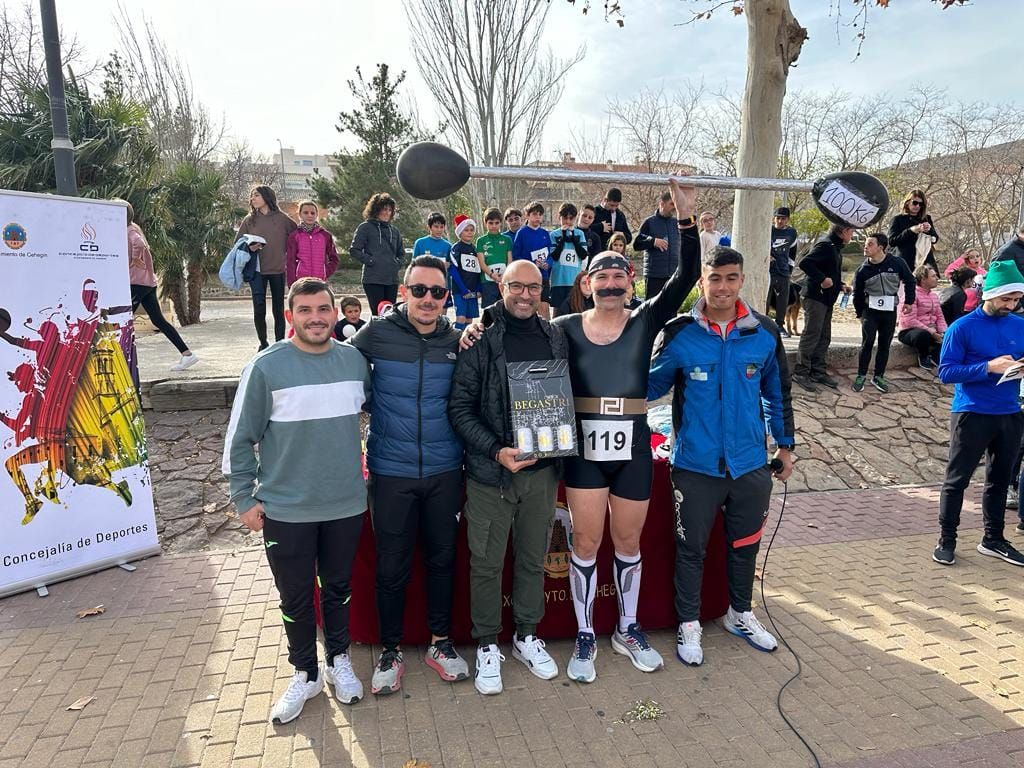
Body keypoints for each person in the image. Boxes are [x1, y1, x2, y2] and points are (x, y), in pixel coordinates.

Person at [552, 178, 699, 684]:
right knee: (587, 541)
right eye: (602, 278)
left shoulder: (643, 321)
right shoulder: (565, 326)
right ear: (587, 283)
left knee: (628, 540)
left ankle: (628, 628)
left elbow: (687, 276)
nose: (612, 284)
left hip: (633, 443)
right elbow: (514, 321)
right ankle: (586, 633)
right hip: (585, 449)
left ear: (631, 282)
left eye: (620, 277)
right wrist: (479, 322)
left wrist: (686, 219)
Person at [223, 277, 371, 723]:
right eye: (305, 310)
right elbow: (239, 438)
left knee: (339, 589)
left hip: (346, 503)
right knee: (295, 597)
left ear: (336, 312)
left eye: (323, 309)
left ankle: (338, 661)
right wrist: (242, 497)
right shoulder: (266, 367)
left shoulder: (354, 362)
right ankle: (305, 672)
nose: (316, 318)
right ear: (290, 316)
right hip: (286, 509)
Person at [648, 245, 795, 667]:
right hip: (695, 465)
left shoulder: (764, 332)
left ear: (742, 280)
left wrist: (785, 447)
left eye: (731, 278)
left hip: (750, 465)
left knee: (744, 544)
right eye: (715, 278)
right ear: (702, 282)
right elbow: (649, 387)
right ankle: (689, 623)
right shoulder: (679, 333)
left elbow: (777, 393)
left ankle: (740, 613)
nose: (723, 287)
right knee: (691, 548)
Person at [348, 256, 468, 695]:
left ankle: (441, 643)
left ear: (446, 297)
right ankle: (391, 650)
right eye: (419, 290)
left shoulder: (457, 341)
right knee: (391, 566)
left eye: (438, 292)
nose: (428, 300)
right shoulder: (374, 335)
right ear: (403, 292)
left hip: (444, 471)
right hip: (391, 470)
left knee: (442, 561)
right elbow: (342, 380)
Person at [448, 259, 565, 695]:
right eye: (516, 286)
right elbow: (459, 409)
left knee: (533, 558)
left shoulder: (555, 336)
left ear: (542, 291)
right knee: (486, 563)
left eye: (533, 288)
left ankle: (527, 636)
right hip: (490, 474)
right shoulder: (479, 338)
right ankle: (486, 644)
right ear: (501, 286)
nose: (524, 295)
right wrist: (496, 451)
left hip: (542, 470)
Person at [933, 260, 1024, 567]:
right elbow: (946, 372)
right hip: (972, 413)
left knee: (999, 480)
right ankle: (946, 540)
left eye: (1016, 300)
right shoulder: (962, 328)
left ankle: (993, 539)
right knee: (956, 480)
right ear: (988, 294)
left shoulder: (1019, 324)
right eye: (1005, 299)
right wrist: (987, 367)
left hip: (1010, 412)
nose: (1010, 305)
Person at [125, 201, 198, 371]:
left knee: (123, 319)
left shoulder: (130, 231)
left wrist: (134, 258)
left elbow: (139, 244)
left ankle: (122, 360)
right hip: (146, 283)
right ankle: (187, 354)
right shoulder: (134, 228)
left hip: (137, 283)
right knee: (158, 320)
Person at [851, 232, 916, 393]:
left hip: (889, 311)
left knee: (884, 344)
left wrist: (909, 301)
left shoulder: (897, 263)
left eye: (870, 244)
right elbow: (857, 294)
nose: (866, 247)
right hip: (870, 311)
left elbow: (910, 280)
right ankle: (861, 375)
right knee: (867, 343)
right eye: (865, 243)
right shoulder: (862, 270)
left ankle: (878, 375)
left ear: (881, 247)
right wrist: (860, 313)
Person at [793, 224, 853, 392]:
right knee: (812, 334)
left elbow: (829, 271)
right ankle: (801, 372)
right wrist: (821, 279)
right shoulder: (826, 245)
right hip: (815, 297)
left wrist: (840, 285)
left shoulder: (835, 247)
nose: (852, 234)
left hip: (826, 298)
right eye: (851, 231)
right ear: (843, 231)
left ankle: (817, 371)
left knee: (824, 336)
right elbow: (806, 263)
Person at [236, 185, 297, 349]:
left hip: (277, 270)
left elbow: (298, 236)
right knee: (259, 309)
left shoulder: (282, 218)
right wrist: (250, 247)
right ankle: (263, 343)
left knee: (278, 309)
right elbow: (238, 243)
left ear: (266, 196)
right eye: (251, 196)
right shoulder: (249, 220)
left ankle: (279, 343)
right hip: (256, 271)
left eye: (256, 195)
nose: (252, 199)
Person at [351, 193, 404, 316]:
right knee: (377, 314)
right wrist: (371, 261)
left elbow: (401, 253)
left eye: (390, 210)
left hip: (391, 279)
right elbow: (354, 250)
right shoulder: (365, 228)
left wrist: (396, 264)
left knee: (390, 314)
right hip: (373, 279)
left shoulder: (394, 231)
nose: (387, 212)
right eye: (384, 209)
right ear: (376, 210)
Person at [898, 264, 946, 371]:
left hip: (932, 329)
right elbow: (909, 321)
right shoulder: (911, 295)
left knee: (951, 333)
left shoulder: (934, 296)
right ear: (923, 279)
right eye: (933, 276)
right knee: (923, 335)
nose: (937, 278)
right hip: (910, 331)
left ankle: (935, 355)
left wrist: (942, 331)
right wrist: (931, 332)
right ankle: (924, 356)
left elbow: (939, 316)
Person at [633, 191, 679, 299]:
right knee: (653, 310)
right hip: (654, 275)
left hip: (673, 274)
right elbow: (637, 244)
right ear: (662, 204)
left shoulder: (676, 223)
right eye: (672, 204)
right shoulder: (649, 222)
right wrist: (653, 242)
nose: (674, 207)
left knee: (671, 310)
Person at [511, 202, 552, 318]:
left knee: (544, 309)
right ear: (527, 215)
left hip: (543, 277)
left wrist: (547, 264)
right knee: (529, 309)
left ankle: (547, 334)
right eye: (534, 214)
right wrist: (532, 264)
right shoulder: (521, 233)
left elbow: (551, 255)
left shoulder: (545, 234)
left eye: (540, 214)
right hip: (528, 278)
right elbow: (516, 257)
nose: (538, 216)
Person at [549, 202, 590, 310]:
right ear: (559, 217)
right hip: (558, 281)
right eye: (565, 218)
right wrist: (563, 237)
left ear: (575, 219)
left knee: (576, 311)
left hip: (574, 281)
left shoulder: (579, 234)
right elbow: (555, 256)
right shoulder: (553, 235)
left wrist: (573, 239)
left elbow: (583, 254)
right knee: (558, 313)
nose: (567, 222)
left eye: (571, 219)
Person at [286, 201, 339, 285]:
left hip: (320, 281)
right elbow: (290, 261)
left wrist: (325, 272)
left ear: (316, 215)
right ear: (300, 215)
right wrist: (292, 283)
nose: (309, 215)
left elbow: (334, 258)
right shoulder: (295, 236)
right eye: (306, 213)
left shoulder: (325, 235)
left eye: (312, 213)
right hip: (301, 282)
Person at [888, 189, 939, 272]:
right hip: (905, 262)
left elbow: (935, 239)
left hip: (924, 262)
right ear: (907, 202)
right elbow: (892, 241)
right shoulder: (898, 219)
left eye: (921, 204)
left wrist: (929, 230)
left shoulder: (926, 218)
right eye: (915, 203)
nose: (917, 206)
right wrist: (911, 231)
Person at [768, 206, 798, 337]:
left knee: (783, 299)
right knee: (766, 298)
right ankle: (764, 324)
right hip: (768, 270)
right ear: (774, 218)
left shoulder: (792, 233)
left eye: (783, 219)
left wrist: (790, 269)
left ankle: (780, 325)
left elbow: (792, 252)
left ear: (788, 220)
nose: (780, 221)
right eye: (778, 218)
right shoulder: (768, 230)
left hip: (783, 270)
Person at [449, 215, 482, 329]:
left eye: (472, 230)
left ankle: (467, 344)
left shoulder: (475, 249)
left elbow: (478, 271)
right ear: (459, 232)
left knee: (469, 319)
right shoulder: (456, 248)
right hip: (460, 290)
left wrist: (478, 289)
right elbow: (453, 270)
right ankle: (455, 342)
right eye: (466, 230)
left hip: (472, 290)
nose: (469, 233)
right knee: (461, 318)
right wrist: (463, 289)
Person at [477, 207, 513, 308]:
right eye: (490, 223)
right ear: (485, 223)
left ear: (501, 223)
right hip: (488, 281)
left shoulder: (507, 240)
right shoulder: (481, 241)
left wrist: (504, 276)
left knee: (505, 309)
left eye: (496, 223)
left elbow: (510, 261)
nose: (494, 226)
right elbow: (481, 262)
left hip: (504, 280)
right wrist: (492, 274)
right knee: (489, 311)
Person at [590, 187, 632, 252]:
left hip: (615, 254)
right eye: (611, 205)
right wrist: (600, 227)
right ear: (605, 200)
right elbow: (586, 230)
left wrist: (622, 234)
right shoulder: (594, 212)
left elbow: (629, 238)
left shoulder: (620, 215)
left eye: (616, 206)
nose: (614, 208)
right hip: (597, 252)